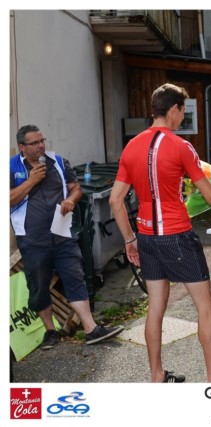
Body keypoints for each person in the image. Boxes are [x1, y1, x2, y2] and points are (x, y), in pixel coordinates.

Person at [109, 83, 211, 383]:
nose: (182, 119)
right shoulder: (181, 146)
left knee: (156, 306)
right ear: (174, 110)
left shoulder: (131, 146)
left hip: (146, 235)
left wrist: (129, 239)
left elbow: (115, 200)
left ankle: (156, 376)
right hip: (176, 234)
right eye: (182, 112)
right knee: (206, 306)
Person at [10, 124, 124, 351]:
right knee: (39, 286)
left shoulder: (58, 163)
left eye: (42, 140)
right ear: (22, 147)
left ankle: (91, 329)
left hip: (62, 235)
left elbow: (76, 188)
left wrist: (71, 199)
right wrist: (31, 181)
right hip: (32, 239)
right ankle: (50, 331)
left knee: (75, 277)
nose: (41, 145)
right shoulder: (10, 167)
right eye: (34, 143)